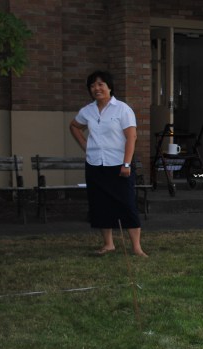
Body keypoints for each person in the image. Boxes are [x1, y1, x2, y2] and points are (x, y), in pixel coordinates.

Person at [69, 70, 146, 257]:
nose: (97, 88)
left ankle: (136, 247)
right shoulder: (87, 111)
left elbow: (131, 137)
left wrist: (126, 164)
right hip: (95, 164)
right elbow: (74, 126)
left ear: (109, 87)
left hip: (119, 165)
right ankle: (108, 244)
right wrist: (86, 146)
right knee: (100, 204)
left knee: (127, 204)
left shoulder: (122, 109)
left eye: (100, 84)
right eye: (93, 86)